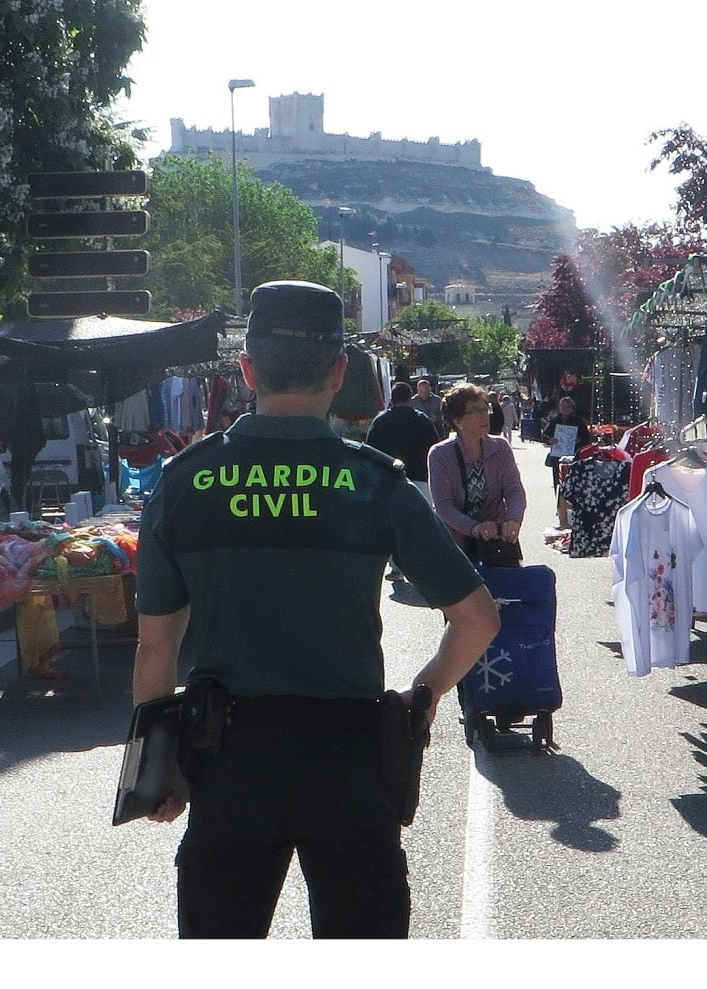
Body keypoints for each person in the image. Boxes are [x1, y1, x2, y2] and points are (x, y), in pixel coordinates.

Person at [133, 280, 499, 939]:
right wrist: (424, 695)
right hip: (350, 763)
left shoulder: (185, 480)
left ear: (246, 370)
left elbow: (156, 647)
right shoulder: (374, 479)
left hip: (230, 766)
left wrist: (153, 773)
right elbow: (478, 618)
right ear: (339, 372)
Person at [429, 382, 526, 561]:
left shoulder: (500, 447)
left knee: (506, 587)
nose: (485, 416)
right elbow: (443, 506)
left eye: (485, 409)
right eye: (476, 411)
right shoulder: (440, 455)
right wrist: (474, 528)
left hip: (496, 542)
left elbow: (514, 491)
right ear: (457, 421)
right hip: (456, 545)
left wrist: (513, 519)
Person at [365, 380, 440, 580]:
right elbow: (436, 449)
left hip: (390, 480)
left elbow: (370, 452)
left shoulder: (380, 422)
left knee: (393, 527)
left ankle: (397, 567)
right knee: (421, 524)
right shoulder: (423, 420)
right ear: (410, 399)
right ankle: (422, 566)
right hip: (422, 479)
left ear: (393, 398)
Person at [543, 396, 592, 493]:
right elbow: (544, 435)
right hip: (557, 457)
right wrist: (550, 440)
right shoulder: (554, 421)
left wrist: (579, 440)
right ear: (559, 407)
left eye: (568, 407)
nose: (565, 409)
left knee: (572, 480)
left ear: (572, 408)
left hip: (574, 457)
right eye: (563, 406)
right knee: (557, 481)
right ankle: (559, 502)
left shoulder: (579, 422)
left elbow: (587, 438)